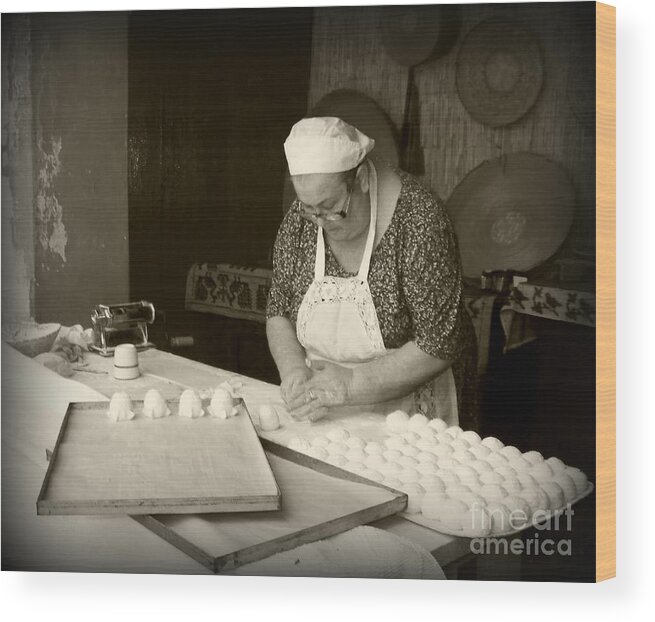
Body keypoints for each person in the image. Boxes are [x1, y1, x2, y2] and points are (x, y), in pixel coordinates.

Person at [266, 117, 478, 430]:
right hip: (327, 408)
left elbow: (440, 344)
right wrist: (294, 370)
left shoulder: (418, 223)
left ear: (362, 178)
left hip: (413, 416)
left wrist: (351, 385)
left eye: (331, 207)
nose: (320, 221)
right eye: (309, 209)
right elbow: (278, 309)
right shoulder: (302, 221)